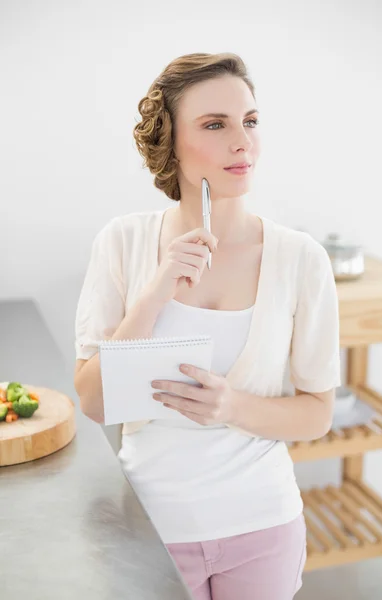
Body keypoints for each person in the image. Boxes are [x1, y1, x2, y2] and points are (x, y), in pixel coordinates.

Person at [74, 52, 341, 600]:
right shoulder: (123, 243)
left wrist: (231, 407)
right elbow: (96, 402)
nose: (242, 142)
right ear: (170, 142)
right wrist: (158, 287)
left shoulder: (301, 258)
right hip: (150, 529)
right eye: (215, 125)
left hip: (264, 528)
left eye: (250, 121)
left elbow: (317, 412)